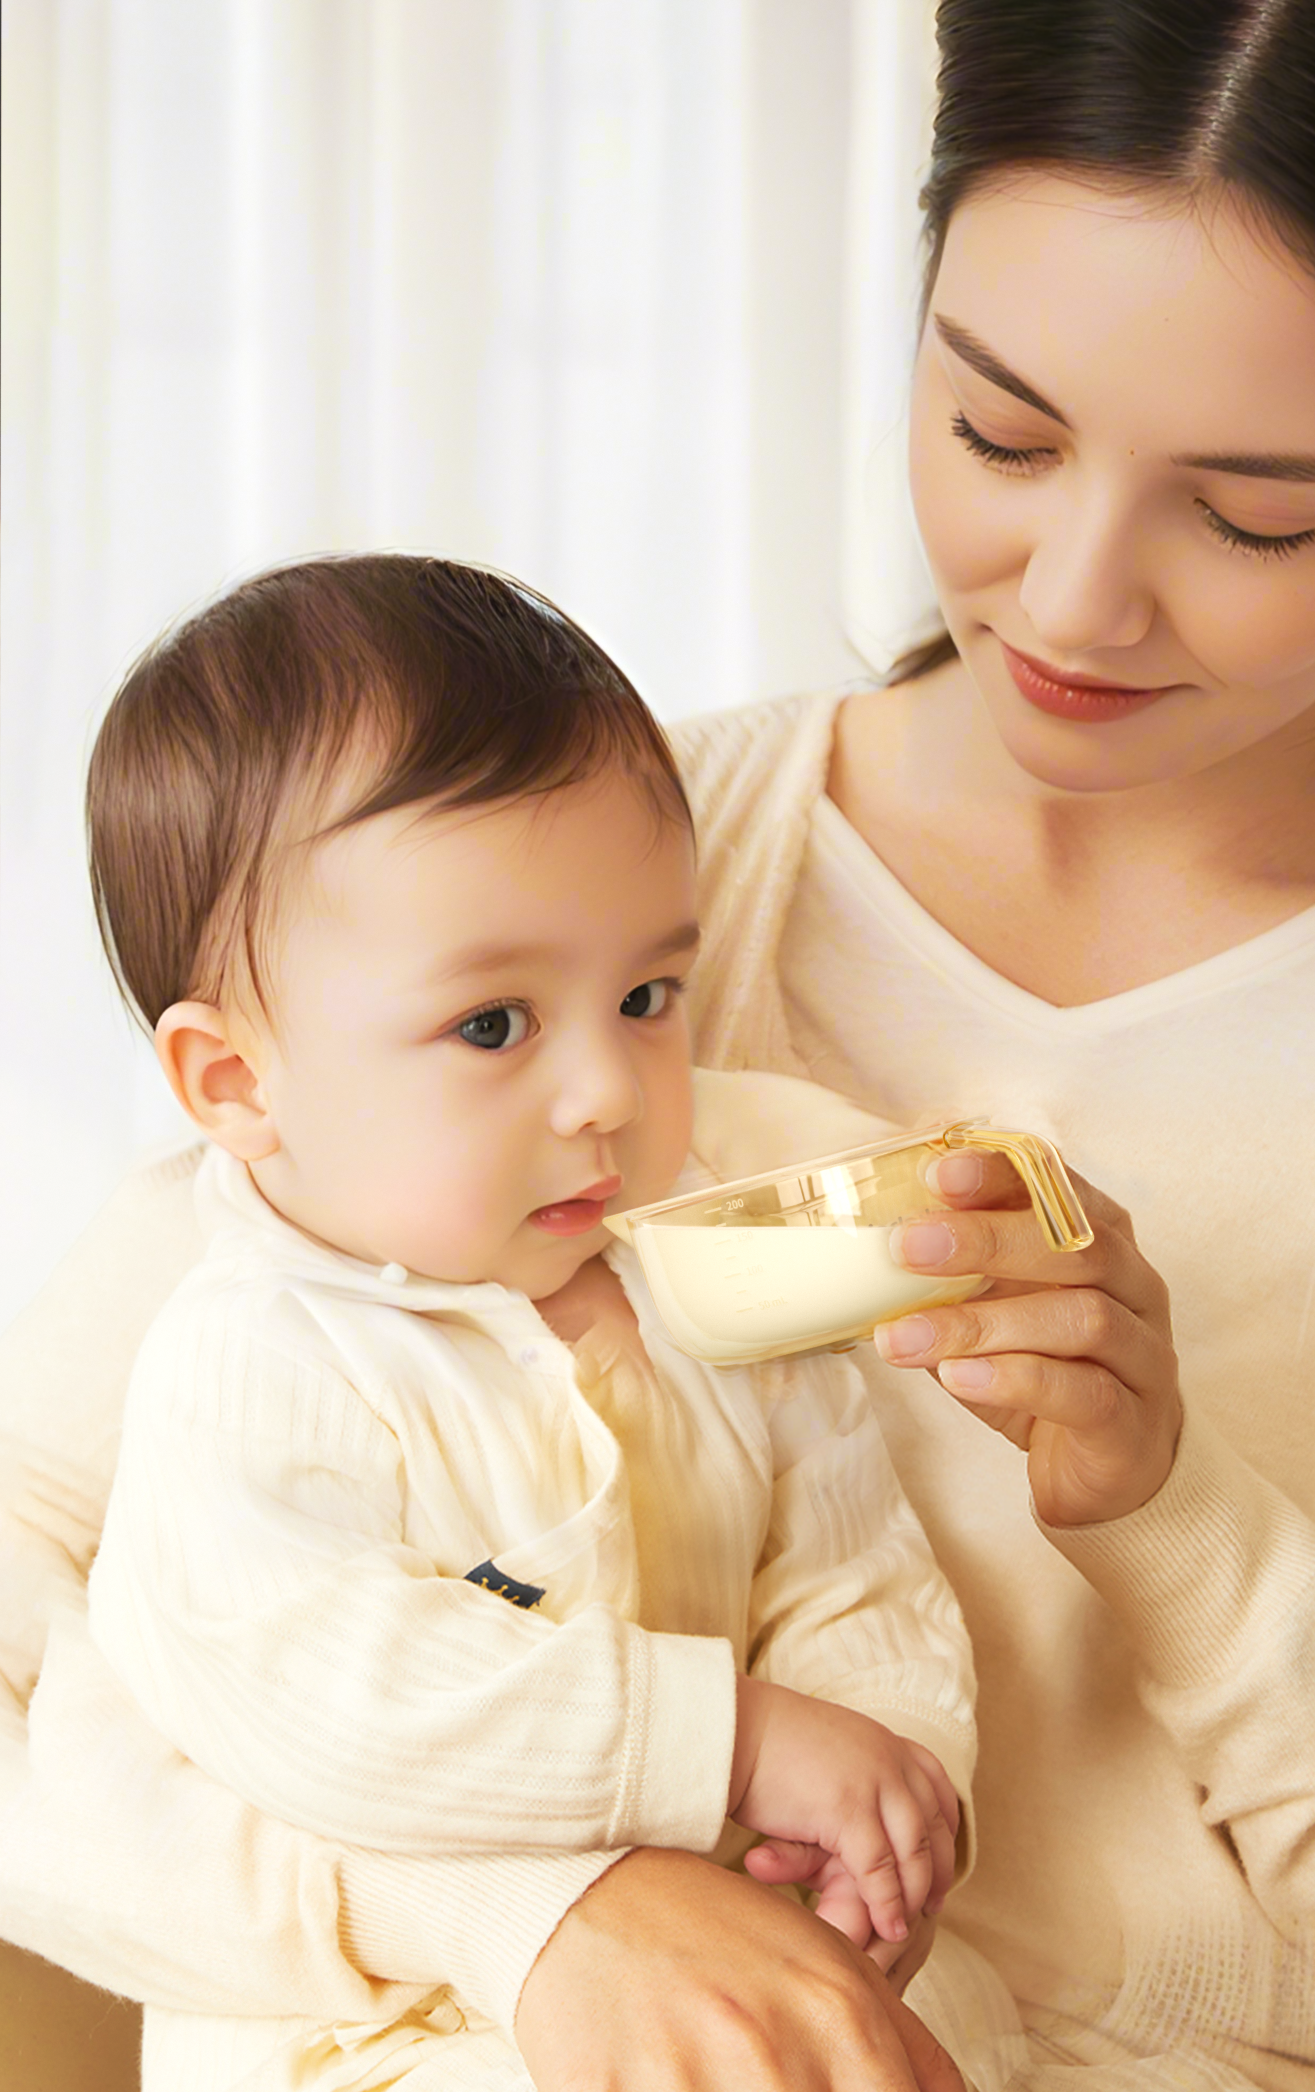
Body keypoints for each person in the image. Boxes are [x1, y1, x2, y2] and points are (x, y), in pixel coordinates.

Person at [2, 1, 1315, 2087]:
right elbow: (41, 1631)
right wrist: (538, 1908)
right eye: (998, 432)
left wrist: (1174, 1509)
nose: (1070, 598)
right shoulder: (542, 888)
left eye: (1249, 519)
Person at [74, 551, 1012, 2090]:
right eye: (494, 1026)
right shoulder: (251, 1363)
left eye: (648, 998)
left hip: (724, 1923)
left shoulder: (708, 1284)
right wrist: (738, 1741)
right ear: (238, 1085)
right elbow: (343, 1703)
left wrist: (875, 1789)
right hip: (380, 2016)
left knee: (941, 2027)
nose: (607, 1091)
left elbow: (853, 1571)